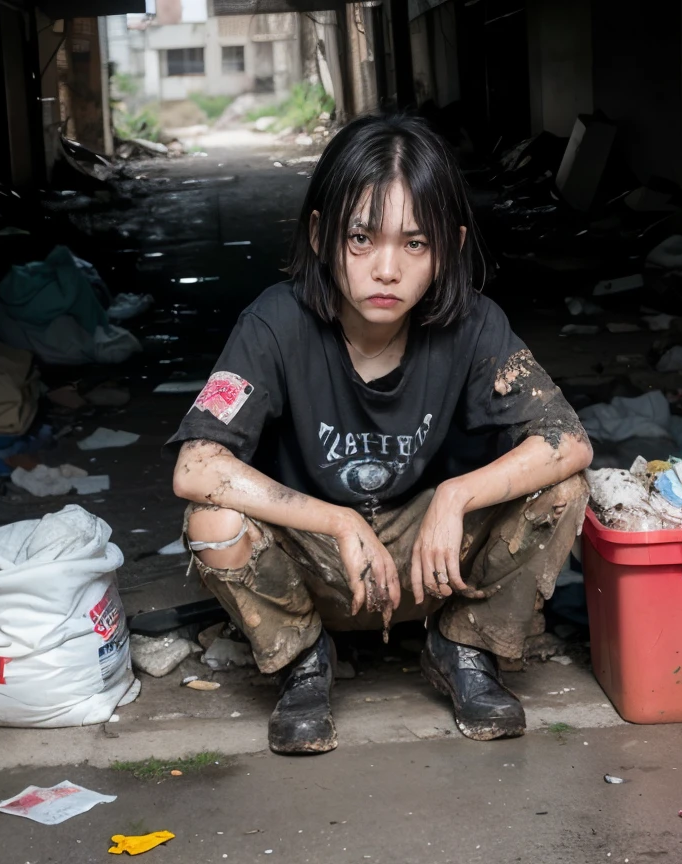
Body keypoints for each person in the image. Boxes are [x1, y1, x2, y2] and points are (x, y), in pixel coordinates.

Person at [168, 114, 592, 755]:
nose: (386, 269)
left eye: (415, 244)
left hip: (431, 567)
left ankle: (465, 647)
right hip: (322, 563)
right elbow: (196, 465)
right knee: (212, 521)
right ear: (320, 235)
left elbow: (567, 438)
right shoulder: (275, 322)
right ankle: (305, 661)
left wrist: (454, 498)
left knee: (564, 487)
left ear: (445, 248)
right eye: (361, 238)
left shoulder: (473, 324)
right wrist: (337, 520)